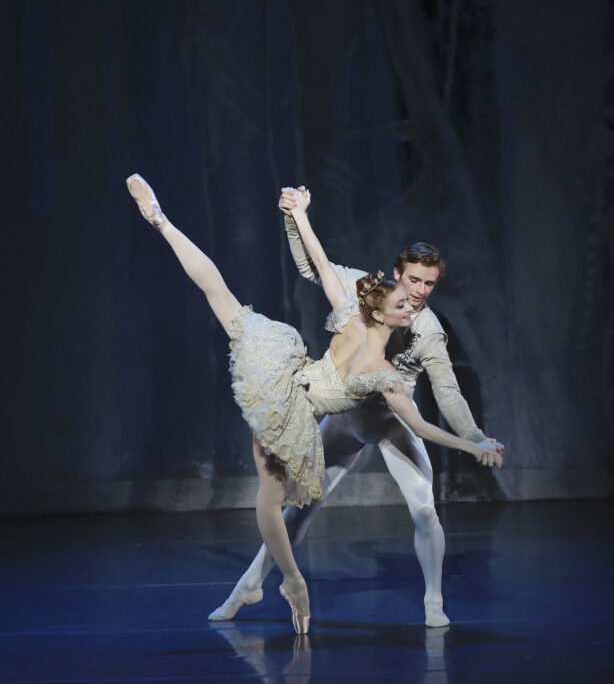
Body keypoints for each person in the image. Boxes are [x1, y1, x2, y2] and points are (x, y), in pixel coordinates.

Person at [126, 175, 502, 635]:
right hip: (325, 411)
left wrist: (474, 438)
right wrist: (297, 216)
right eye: (411, 286)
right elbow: (318, 265)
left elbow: (442, 397)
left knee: (422, 508)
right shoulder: (369, 298)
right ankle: (256, 584)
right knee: (289, 511)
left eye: (428, 286)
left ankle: (432, 601)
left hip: (375, 418)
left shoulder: (405, 328)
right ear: (394, 280)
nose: (418, 296)